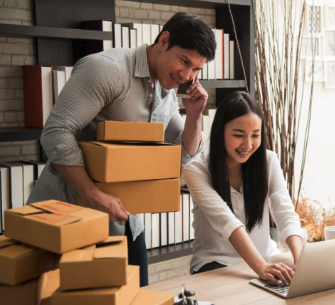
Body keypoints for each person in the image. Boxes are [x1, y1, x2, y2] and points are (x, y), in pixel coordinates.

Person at [27, 13, 216, 287]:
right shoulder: (107, 70)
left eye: (196, 69)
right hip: (69, 216)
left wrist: (195, 116)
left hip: (126, 222)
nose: (187, 76)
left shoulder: (166, 90)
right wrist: (93, 194)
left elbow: (183, 156)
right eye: (184, 61)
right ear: (164, 41)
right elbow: (56, 132)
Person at [183, 91, 307, 286]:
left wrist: (301, 260)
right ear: (220, 132)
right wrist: (261, 268)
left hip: (267, 257)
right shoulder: (195, 170)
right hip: (217, 264)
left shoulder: (269, 161)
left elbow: (286, 214)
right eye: (238, 135)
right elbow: (228, 222)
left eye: (255, 135)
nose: (248, 145)